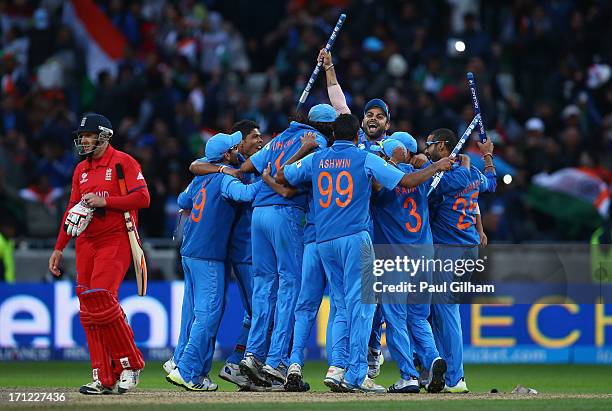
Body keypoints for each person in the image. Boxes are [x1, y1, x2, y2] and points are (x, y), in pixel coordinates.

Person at [278, 114, 453, 393]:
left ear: (333, 134)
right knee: (364, 306)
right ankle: (357, 374)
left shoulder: (317, 158)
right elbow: (406, 182)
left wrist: (301, 150)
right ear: (357, 134)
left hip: (323, 240)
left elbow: (284, 174)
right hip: (355, 238)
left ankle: (337, 367)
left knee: (340, 305)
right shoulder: (365, 158)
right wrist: (436, 167)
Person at [48, 113, 150, 395]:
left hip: (115, 240)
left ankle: (130, 364)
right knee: (88, 309)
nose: (83, 141)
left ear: (104, 136)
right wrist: (59, 247)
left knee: (103, 301)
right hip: (86, 244)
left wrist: (106, 201)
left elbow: (143, 198)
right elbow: (72, 207)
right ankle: (104, 376)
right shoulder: (80, 169)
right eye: (81, 137)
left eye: (88, 136)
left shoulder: (123, 162)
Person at [237, 105, 334, 388]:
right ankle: (276, 360)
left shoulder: (278, 137)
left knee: (264, 286)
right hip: (286, 213)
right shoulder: (319, 141)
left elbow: (246, 167)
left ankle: (252, 355)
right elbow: (288, 182)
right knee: (290, 285)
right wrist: (300, 153)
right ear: (327, 126)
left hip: (259, 214)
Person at [163, 120, 264, 389]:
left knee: (199, 313)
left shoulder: (201, 176)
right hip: (210, 254)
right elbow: (244, 194)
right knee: (208, 315)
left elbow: (182, 202)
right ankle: (186, 369)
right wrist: (267, 182)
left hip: (190, 252)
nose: (238, 149)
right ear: (227, 154)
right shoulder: (225, 178)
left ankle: (193, 371)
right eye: (234, 147)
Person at [425, 128, 496, 393]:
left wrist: (460, 166)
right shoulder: (473, 174)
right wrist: (487, 157)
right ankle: (440, 372)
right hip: (468, 248)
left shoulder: (443, 179)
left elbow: (442, 184)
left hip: (449, 251)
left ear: (443, 147)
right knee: (437, 313)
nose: (426, 150)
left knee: (447, 312)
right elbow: (491, 183)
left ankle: (456, 379)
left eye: (430, 145)